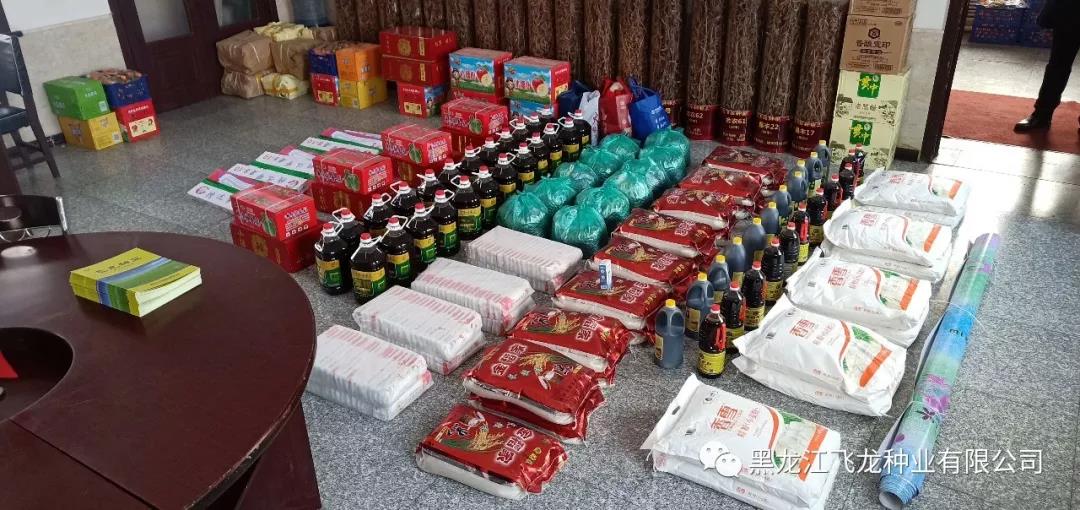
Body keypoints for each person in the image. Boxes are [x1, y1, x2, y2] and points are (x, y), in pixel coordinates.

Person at [1014, 0, 1080, 132]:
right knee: (1057, 66)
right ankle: (1042, 115)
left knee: (1057, 66)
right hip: (1070, 10)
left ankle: (1042, 115)